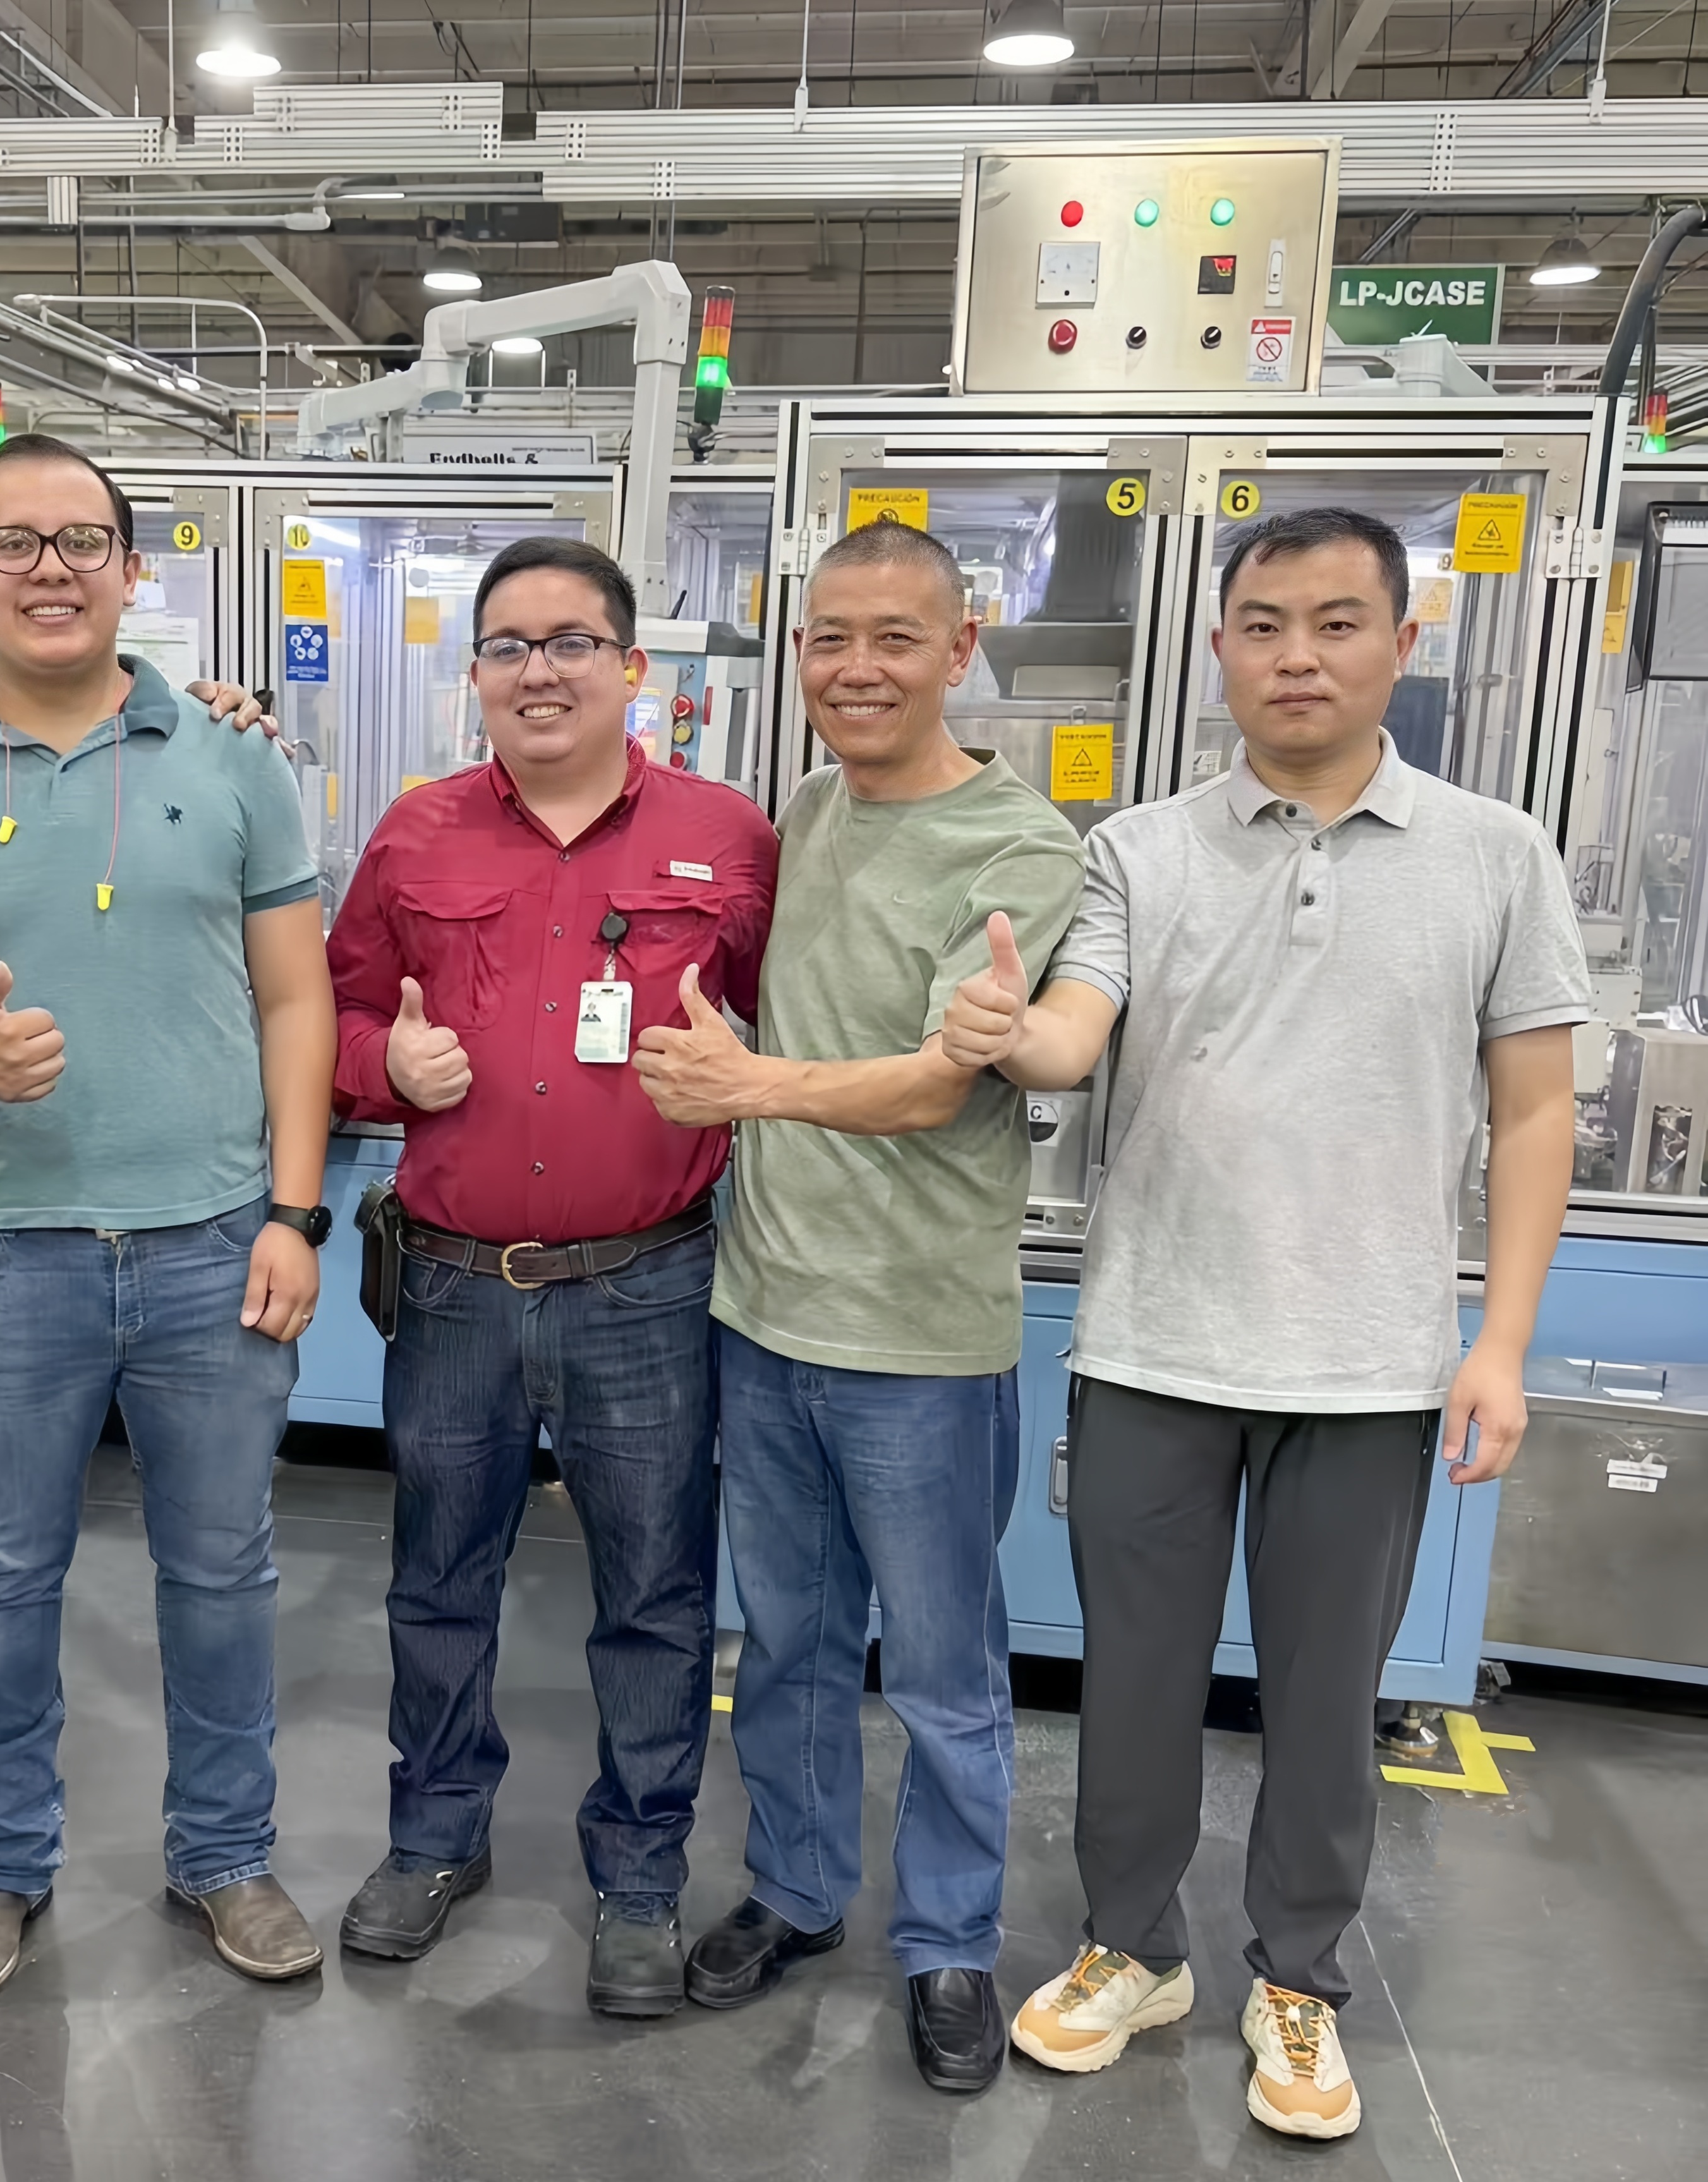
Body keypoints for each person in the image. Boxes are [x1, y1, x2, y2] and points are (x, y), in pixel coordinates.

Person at [945, 507, 1585, 2141]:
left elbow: (1533, 1111)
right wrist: (1009, 1026)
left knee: (1324, 1697)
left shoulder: (1495, 853)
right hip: (1155, 1342)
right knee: (1135, 1683)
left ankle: (1297, 1977)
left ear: (1403, 643)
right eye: (1265, 624)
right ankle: (1133, 1946)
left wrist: (1501, 1342)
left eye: (1337, 621)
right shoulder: (1139, 849)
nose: (1299, 655)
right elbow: (1074, 1035)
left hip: (1370, 1364)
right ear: (1220, 646)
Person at [0, 433, 337, 2009]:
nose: (49, 568)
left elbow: (297, 996)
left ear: (130, 566)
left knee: (222, 1574)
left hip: (210, 1247)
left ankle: (225, 1855)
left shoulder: (235, 758)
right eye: (12, 541)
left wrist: (297, 1211)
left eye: (80, 540)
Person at [633, 518, 1084, 2091]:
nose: (857, 667)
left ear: (961, 647)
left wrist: (747, 1085)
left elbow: (931, 1086)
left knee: (945, 1671)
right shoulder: (808, 810)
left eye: (895, 637)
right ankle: (799, 1886)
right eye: (830, 636)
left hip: (917, 1339)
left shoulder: (1021, 846)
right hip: (765, 1315)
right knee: (789, 1642)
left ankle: (949, 1940)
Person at [324, 536, 777, 2015]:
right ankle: (433, 1837)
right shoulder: (416, 838)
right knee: (437, 1579)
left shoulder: (727, 838)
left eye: (572, 641)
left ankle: (639, 1875)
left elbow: (790, 1031)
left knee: (654, 1591)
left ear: (631, 667)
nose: (539, 670)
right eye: (509, 645)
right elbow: (332, 1018)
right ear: (474, 674)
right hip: (453, 1286)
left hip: (646, 1286)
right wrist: (383, 1066)